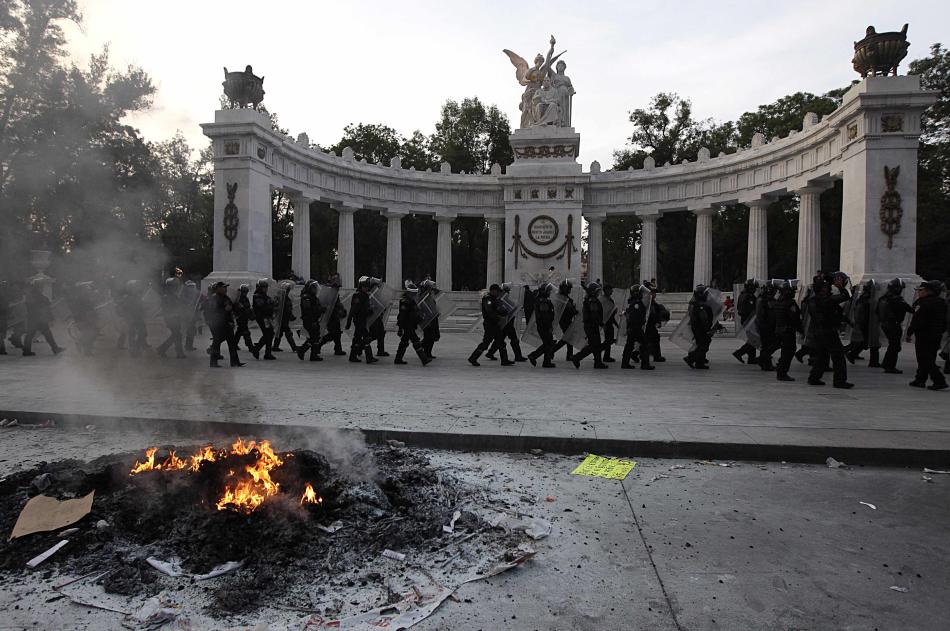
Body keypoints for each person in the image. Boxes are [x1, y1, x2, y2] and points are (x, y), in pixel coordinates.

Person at [803, 275, 853, 388]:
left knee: (822, 356)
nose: (829, 288)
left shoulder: (812, 300)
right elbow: (845, 296)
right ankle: (839, 381)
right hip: (828, 331)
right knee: (838, 356)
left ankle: (814, 378)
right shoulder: (827, 300)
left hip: (818, 331)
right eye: (826, 287)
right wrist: (841, 287)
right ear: (822, 289)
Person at [907, 280, 948, 390]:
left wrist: (909, 332)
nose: (919, 292)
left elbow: (917, 320)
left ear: (929, 291)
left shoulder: (924, 303)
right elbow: (944, 321)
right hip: (936, 335)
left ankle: (939, 380)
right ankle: (920, 379)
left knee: (925, 359)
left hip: (924, 335)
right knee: (928, 358)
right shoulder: (941, 302)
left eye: (921, 290)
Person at [468, 284, 512, 366]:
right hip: (490, 324)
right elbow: (490, 311)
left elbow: (499, 308)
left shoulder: (494, 298)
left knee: (501, 342)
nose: (498, 293)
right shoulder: (488, 299)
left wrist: (504, 312)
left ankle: (504, 360)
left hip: (495, 324)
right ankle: (473, 358)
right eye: (497, 291)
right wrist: (499, 317)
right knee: (486, 343)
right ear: (493, 290)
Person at [877, 278, 914, 374]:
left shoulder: (883, 298)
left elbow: (876, 312)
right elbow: (911, 309)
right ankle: (890, 366)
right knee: (895, 346)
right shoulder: (897, 300)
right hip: (894, 325)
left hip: (884, 324)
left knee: (892, 345)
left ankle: (886, 363)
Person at [770, 280, 802, 382]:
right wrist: (801, 329)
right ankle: (782, 372)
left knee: (785, 351)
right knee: (789, 351)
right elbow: (795, 317)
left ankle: (781, 368)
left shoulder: (778, 302)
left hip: (779, 329)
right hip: (787, 330)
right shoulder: (790, 303)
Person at [486, 283, 527, 362]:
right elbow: (504, 309)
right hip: (507, 321)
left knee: (500, 339)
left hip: (506, 321)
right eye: (507, 290)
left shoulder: (502, 296)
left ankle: (490, 353)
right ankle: (517, 356)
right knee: (513, 339)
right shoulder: (502, 297)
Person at [207, 281, 243, 368]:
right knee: (216, 343)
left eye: (226, 287)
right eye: (223, 287)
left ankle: (235, 362)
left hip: (227, 324)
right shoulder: (214, 298)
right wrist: (225, 310)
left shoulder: (226, 297)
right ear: (218, 289)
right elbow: (212, 312)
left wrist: (236, 305)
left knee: (232, 343)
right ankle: (213, 362)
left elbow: (232, 307)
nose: (225, 289)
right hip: (218, 325)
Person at [394, 280, 431, 365]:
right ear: (410, 293)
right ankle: (424, 359)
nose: (415, 295)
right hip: (407, 325)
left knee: (405, 342)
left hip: (410, 324)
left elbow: (414, 313)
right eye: (414, 294)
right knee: (415, 341)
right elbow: (402, 316)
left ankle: (398, 359)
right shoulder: (405, 301)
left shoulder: (411, 301)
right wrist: (400, 328)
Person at [22, 280, 63, 356]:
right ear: (39, 287)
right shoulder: (41, 297)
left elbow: (29, 306)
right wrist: (50, 318)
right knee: (47, 334)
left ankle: (26, 351)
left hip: (32, 318)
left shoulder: (30, 296)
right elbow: (46, 308)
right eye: (41, 287)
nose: (42, 289)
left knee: (30, 335)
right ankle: (55, 349)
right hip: (40, 318)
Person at [571, 281, 607, 369]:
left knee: (596, 345)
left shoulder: (590, 300)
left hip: (590, 325)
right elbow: (594, 314)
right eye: (597, 291)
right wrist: (601, 324)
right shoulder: (593, 301)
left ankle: (598, 362)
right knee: (593, 345)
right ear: (592, 292)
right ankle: (577, 357)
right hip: (592, 325)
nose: (599, 293)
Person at [621, 284, 655, 370]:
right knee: (645, 344)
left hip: (632, 328)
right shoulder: (636, 304)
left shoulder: (632, 302)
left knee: (629, 346)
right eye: (640, 293)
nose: (642, 294)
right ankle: (645, 364)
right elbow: (635, 317)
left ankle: (625, 363)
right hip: (635, 328)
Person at [846, 280, 879, 366]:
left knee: (868, 343)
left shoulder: (863, 298)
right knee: (869, 343)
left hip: (866, 324)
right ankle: (852, 354)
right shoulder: (866, 300)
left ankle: (872, 361)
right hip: (866, 324)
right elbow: (862, 313)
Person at [347, 276, 378, 364]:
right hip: (359, 320)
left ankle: (353, 356)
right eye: (365, 286)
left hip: (362, 319)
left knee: (357, 338)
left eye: (367, 287)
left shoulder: (364, 295)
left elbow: (364, 308)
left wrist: (370, 311)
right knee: (366, 338)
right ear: (361, 286)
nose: (366, 288)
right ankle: (369, 358)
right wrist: (349, 320)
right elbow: (353, 309)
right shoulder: (357, 295)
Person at [527, 282, 557, 367]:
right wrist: (549, 326)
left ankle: (545, 361)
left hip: (543, 325)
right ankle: (534, 356)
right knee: (549, 343)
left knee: (548, 343)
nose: (550, 293)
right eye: (548, 291)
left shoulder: (543, 300)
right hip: (544, 326)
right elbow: (545, 316)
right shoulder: (543, 301)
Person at [156, 277, 185, 359]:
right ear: (170, 286)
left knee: (176, 335)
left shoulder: (173, 295)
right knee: (177, 335)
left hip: (175, 318)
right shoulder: (167, 296)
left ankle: (162, 349)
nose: (176, 287)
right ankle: (178, 352)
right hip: (171, 318)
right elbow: (168, 308)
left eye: (176, 286)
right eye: (174, 286)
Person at [318, 273, 347, 356]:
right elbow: (328, 304)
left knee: (337, 333)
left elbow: (337, 303)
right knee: (333, 334)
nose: (338, 288)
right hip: (331, 316)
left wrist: (341, 310)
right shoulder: (329, 291)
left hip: (334, 315)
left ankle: (338, 349)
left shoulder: (334, 292)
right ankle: (319, 345)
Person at [296, 279, 325, 362]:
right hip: (309, 320)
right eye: (314, 288)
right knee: (314, 337)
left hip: (313, 319)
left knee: (315, 337)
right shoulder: (306, 297)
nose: (315, 290)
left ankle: (312, 354)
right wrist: (319, 310)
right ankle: (302, 350)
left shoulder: (312, 297)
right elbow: (308, 310)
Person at [549, 280, 578, 361]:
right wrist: (574, 311)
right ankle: (552, 351)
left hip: (567, 320)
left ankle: (569, 355)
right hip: (564, 320)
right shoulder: (562, 298)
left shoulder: (566, 298)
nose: (569, 290)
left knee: (569, 338)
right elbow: (567, 309)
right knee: (567, 338)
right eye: (568, 288)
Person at [732, 279, 759, 364]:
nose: (755, 289)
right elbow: (751, 310)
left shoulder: (742, 295)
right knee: (753, 340)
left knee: (752, 339)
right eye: (754, 287)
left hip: (746, 320)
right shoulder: (748, 296)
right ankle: (739, 353)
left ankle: (751, 358)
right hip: (749, 320)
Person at [251, 280, 277, 360]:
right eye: (263, 287)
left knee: (271, 333)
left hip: (267, 317)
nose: (265, 289)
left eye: (266, 287)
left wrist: (273, 303)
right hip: (262, 317)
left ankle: (267, 353)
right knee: (267, 334)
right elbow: (263, 307)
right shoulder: (256, 296)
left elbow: (270, 305)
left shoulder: (265, 296)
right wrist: (271, 304)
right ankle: (256, 349)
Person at [755, 282, 778, 371]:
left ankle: (764, 362)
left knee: (767, 346)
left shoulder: (767, 299)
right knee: (768, 345)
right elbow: (761, 315)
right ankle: (765, 362)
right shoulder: (763, 300)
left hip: (768, 326)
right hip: (766, 327)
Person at [418, 279, 442, 359]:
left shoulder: (429, 296)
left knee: (433, 337)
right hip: (427, 320)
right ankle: (423, 350)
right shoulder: (422, 297)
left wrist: (436, 312)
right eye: (430, 288)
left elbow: (433, 306)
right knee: (429, 337)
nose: (432, 290)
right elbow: (422, 309)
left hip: (433, 318)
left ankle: (428, 353)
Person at [271, 283, 298, 353]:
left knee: (280, 333)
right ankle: (294, 347)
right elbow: (274, 307)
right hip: (281, 318)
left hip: (285, 318)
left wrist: (291, 315)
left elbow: (288, 309)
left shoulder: (286, 298)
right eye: (287, 290)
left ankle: (275, 346)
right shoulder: (279, 298)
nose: (288, 291)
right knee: (287, 333)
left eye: (288, 290)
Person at [601, 283, 618, 363]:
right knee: (609, 340)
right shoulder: (603, 300)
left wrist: (616, 323)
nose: (612, 291)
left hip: (610, 322)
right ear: (606, 290)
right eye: (610, 289)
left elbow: (611, 313)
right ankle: (599, 352)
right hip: (606, 323)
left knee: (609, 340)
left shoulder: (610, 300)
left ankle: (606, 355)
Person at [234, 284, 254, 351]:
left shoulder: (246, 298)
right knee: (246, 332)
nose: (245, 293)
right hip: (240, 317)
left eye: (246, 292)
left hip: (245, 317)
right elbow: (239, 308)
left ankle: (234, 344)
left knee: (239, 332)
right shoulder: (238, 299)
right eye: (244, 292)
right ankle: (250, 346)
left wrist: (250, 313)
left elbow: (247, 307)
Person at [182, 280, 200, 351]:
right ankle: (187, 346)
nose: (191, 288)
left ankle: (189, 345)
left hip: (192, 316)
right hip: (187, 316)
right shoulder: (184, 296)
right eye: (190, 287)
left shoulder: (195, 295)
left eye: (192, 287)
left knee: (191, 331)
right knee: (187, 332)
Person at [0, 280, 9, 355]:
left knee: (2, 333)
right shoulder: (3, 295)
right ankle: (2, 349)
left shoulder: (4, 294)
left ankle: (2, 349)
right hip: (2, 316)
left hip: (3, 316)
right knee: (1, 333)